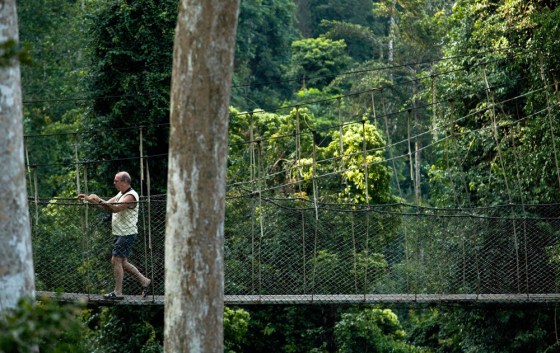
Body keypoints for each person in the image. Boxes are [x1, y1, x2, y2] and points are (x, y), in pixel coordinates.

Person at [77, 171, 151, 300]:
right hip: (120, 233)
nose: (114, 183)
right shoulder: (120, 194)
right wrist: (89, 199)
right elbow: (106, 205)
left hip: (126, 234)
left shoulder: (131, 196)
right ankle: (144, 281)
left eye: (116, 181)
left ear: (124, 182)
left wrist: (98, 199)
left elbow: (115, 208)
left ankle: (118, 292)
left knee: (116, 260)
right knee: (121, 262)